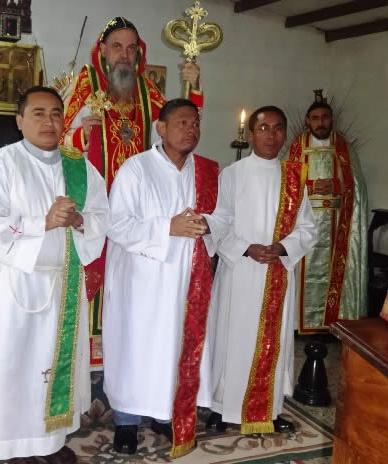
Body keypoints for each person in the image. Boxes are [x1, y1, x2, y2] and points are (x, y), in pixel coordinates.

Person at [0, 86, 108, 463]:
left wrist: (79, 220)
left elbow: (102, 216)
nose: (49, 121)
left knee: (56, 368)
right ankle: (16, 445)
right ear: (19, 121)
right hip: (19, 283)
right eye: (38, 113)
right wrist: (42, 222)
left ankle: (52, 442)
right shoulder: (4, 162)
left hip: (66, 283)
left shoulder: (80, 167)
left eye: (56, 113)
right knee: (18, 366)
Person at [59, 17, 204, 366]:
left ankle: (126, 349)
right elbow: (58, 140)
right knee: (94, 272)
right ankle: (92, 354)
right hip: (95, 202)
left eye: (130, 48)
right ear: (103, 50)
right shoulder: (86, 84)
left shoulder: (146, 89)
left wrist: (195, 86)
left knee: (131, 279)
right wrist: (81, 134)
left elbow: (178, 124)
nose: (124, 55)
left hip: (137, 208)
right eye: (117, 47)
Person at [102, 99, 218, 458]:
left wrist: (209, 224)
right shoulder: (136, 169)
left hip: (188, 281)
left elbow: (225, 216)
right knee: (136, 348)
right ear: (161, 128)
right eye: (182, 122)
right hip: (142, 282)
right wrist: (168, 227)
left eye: (195, 123)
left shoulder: (207, 171)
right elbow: (116, 224)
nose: (191, 129)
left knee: (175, 346)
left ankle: (166, 413)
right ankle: (126, 421)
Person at [204, 106, 317, 434]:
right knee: (231, 338)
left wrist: (283, 247)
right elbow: (219, 221)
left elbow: (308, 227)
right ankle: (221, 407)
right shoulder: (232, 174)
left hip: (277, 269)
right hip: (239, 271)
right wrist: (245, 248)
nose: (271, 135)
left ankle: (270, 408)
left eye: (278, 128)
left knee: (273, 341)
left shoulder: (295, 176)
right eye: (264, 128)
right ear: (251, 134)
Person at [286, 96, 368, 333]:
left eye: (324, 118)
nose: (320, 122)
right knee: (302, 271)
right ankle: (296, 324)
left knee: (333, 271)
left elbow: (358, 186)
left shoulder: (344, 147)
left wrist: (336, 185)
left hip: (336, 223)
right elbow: (285, 184)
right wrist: (311, 186)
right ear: (307, 121)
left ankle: (332, 322)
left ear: (332, 120)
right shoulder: (296, 147)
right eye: (315, 118)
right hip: (303, 221)